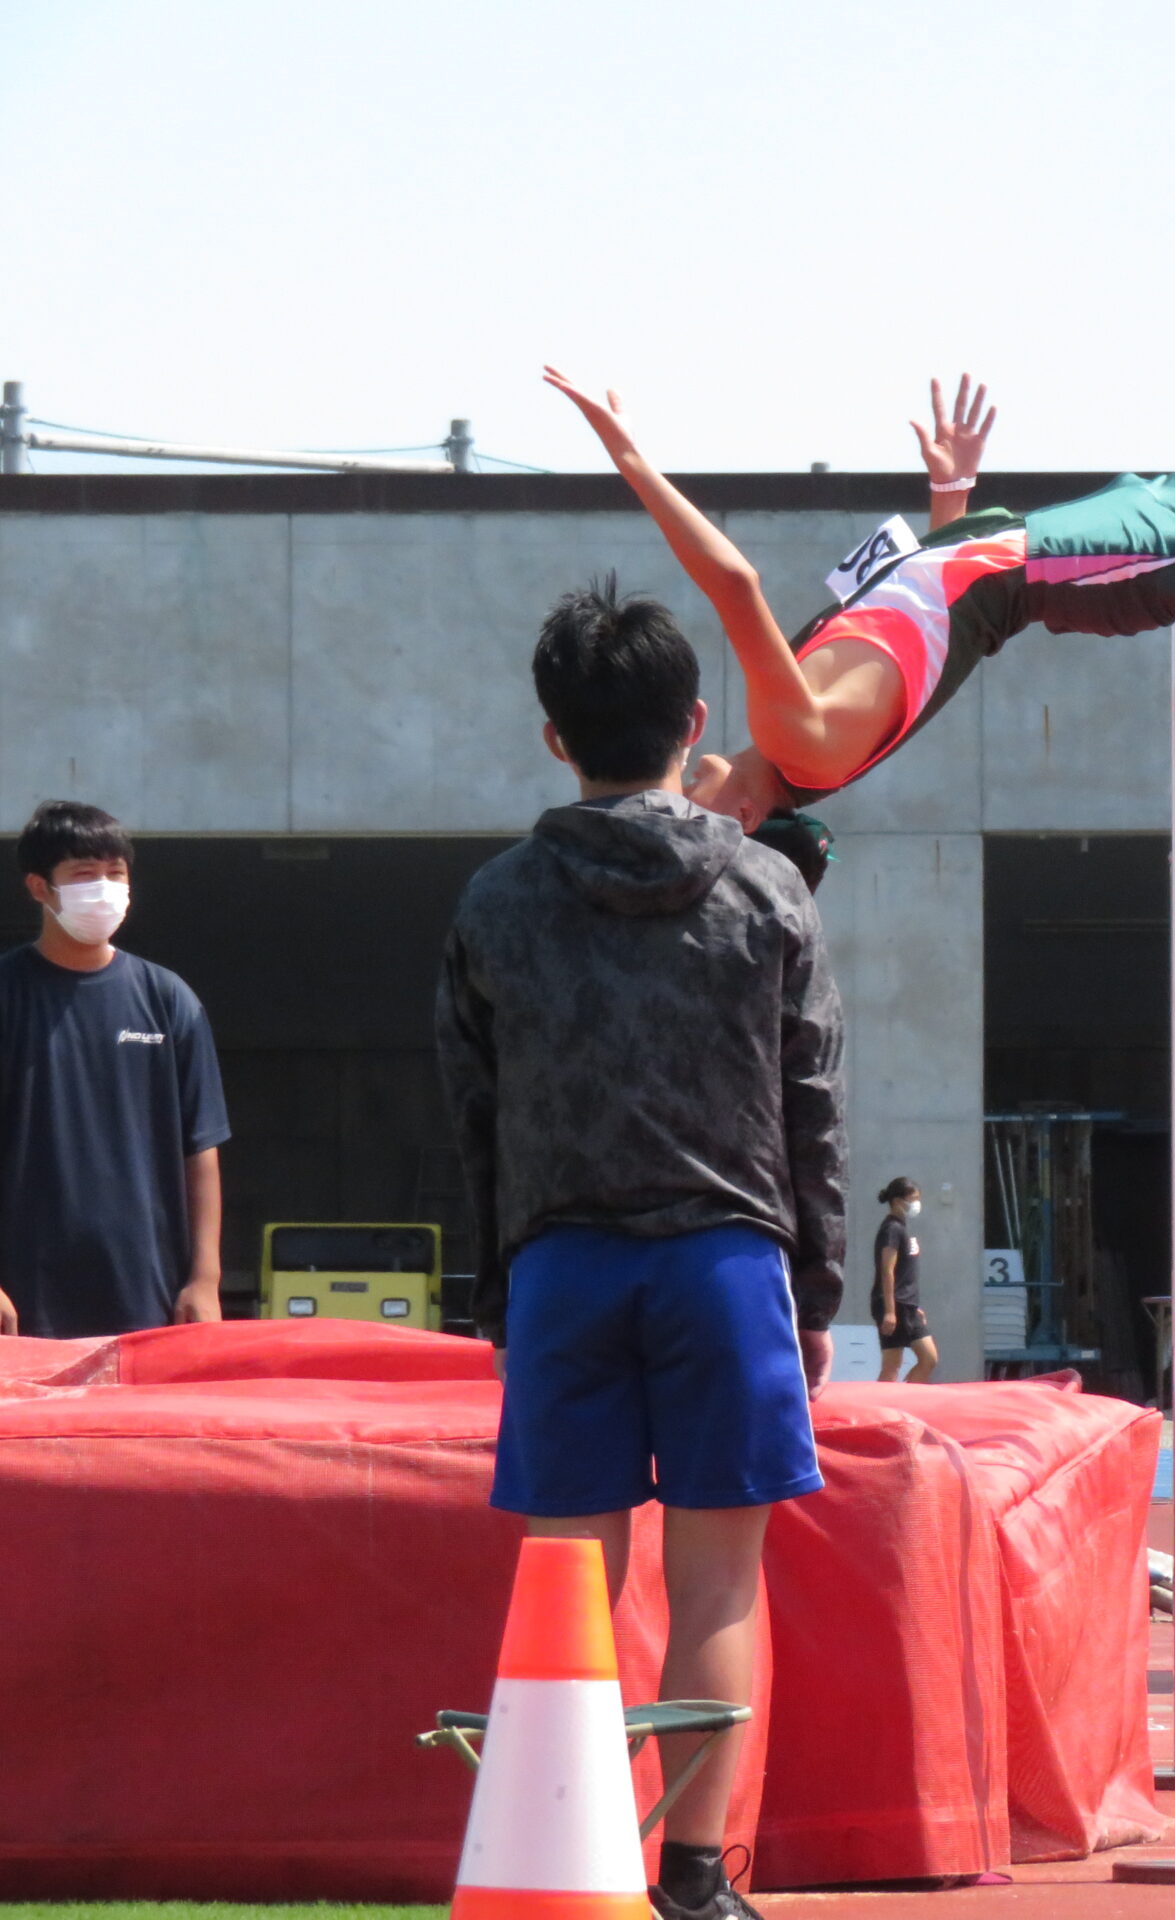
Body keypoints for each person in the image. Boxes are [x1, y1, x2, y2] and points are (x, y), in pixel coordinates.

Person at [435, 580, 845, 1920]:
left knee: (572, 1577)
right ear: (696, 722)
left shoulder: (496, 902)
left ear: (555, 737)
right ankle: (696, 1876)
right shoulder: (768, 889)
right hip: (726, 1258)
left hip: (562, 1260)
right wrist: (818, 1287)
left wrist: (499, 1290)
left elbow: (474, 1111)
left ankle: (568, 1862)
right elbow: (813, 1106)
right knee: (720, 1580)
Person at [542, 369, 1175, 979]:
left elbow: (927, 614)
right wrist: (630, 458)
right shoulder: (799, 739)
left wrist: (949, 493)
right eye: (683, 808)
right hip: (1075, 566)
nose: (674, 788)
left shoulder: (807, 721)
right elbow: (734, 582)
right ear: (740, 820)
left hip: (1036, 534)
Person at [0, 802, 229, 1339]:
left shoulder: (168, 998)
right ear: (39, 887)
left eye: (116, 873)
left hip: (147, 1290)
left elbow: (201, 1149)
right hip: (21, 1296)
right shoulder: (7, 994)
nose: (104, 889)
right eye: (84, 874)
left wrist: (205, 1279)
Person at [870, 1176, 938, 1382]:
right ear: (898, 1201)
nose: (917, 1204)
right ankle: (882, 1401)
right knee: (892, 1365)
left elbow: (905, 1272)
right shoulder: (891, 1229)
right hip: (894, 1304)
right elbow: (887, 1270)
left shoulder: (902, 1227)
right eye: (913, 1199)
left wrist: (914, 1306)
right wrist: (890, 1312)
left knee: (929, 1359)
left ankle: (906, 1396)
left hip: (907, 1305)